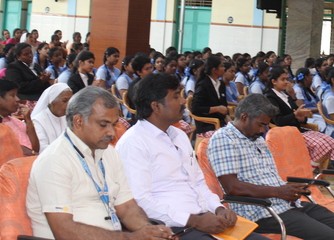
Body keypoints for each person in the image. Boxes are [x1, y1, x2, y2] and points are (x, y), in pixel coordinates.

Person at [116, 73, 270, 239]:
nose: (183, 101)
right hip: (173, 227)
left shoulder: (179, 135)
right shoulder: (134, 142)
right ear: (156, 106)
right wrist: (193, 221)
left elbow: (198, 182)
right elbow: (140, 201)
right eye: (176, 96)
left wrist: (219, 208)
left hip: (203, 218)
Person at [26, 86, 175, 240]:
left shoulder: (110, 153)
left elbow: (127, 208)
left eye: (114, 124)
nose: (112, 132)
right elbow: (64, 230)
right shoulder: (54, 160)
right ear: (78, 121)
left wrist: (151, 232)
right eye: (103, 125)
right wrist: (131, 238)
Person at [207, 93, 334, 240]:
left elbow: (266, 177)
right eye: (261, 124)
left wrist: (288, 189)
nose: (263, 130)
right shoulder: (224, 139)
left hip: (285, 204)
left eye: (266, 126)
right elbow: (232, 187)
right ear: (244, 117)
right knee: (328, 237)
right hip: (259, 211)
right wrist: (278, 191)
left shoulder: (257, 139)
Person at [263, 66, 334, 167]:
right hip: (285, 133)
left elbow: (297, 112)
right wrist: (295, 115)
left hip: (296, 130)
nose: (287, 82)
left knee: (331, 142)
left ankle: (309, 167)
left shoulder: (284, 95)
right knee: (321, 146)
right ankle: (308, 169)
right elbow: (278, 121)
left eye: (287, 79)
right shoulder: (271, 98)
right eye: (283, 79)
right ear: (274, 81)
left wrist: (302, 116)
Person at [191, 56, 229, 137]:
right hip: (207, 125)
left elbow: (224, 105)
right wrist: (217, 109)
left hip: (221, 123)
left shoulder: (221, 84)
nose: (224, 68)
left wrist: (227, 117)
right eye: (221, 66)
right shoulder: (203, 85)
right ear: (214, 70)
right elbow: (195, 109)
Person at [32, 83, 73, 153]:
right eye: (65, 101)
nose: (69, 104)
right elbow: (41, 148)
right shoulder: (37, 121)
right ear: (52, 102)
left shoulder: (67, 118)